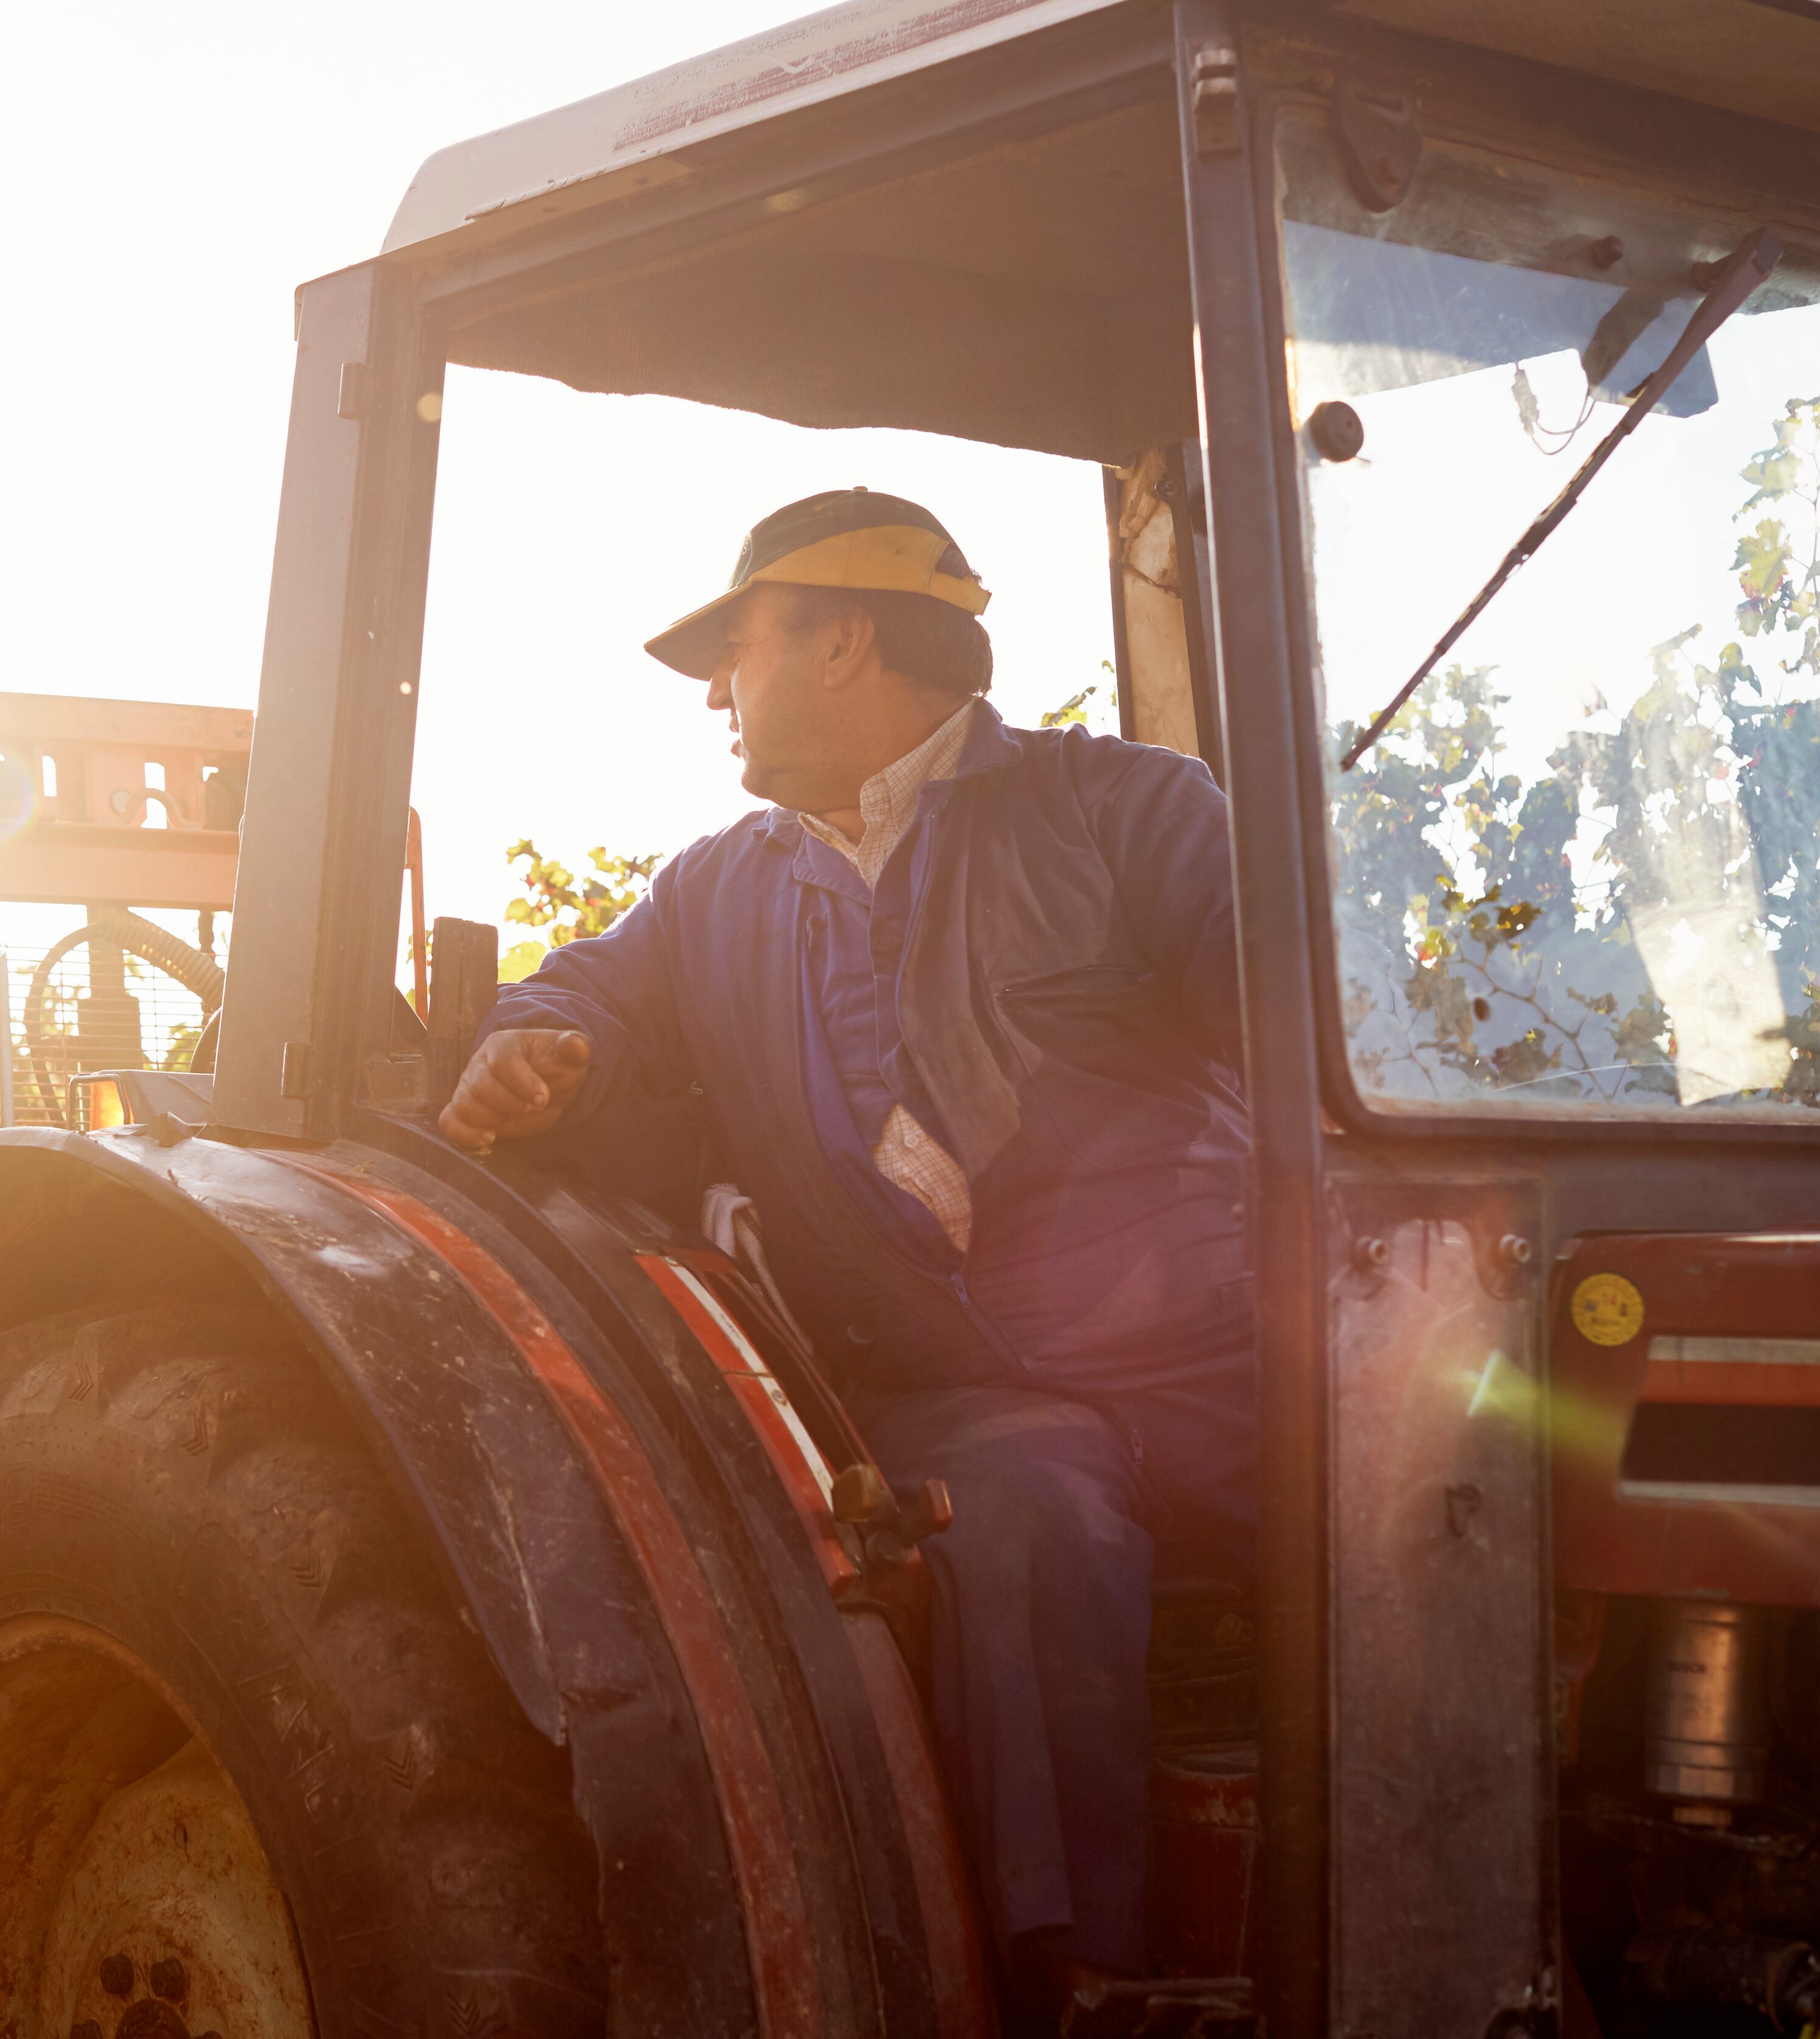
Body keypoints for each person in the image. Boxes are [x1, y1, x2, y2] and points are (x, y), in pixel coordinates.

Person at [437, 489, 1255, 2016]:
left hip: (1204, 1368)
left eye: (734, 647)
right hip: (956, 1396)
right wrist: (534, 1044)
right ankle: (1080, 1985)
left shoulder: (1131, 813)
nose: (712, 693)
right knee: (1019, 1516)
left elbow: (1299, 1051)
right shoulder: (715, 893)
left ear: (843, 642)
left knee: (1437, 1496)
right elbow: (583, 996)